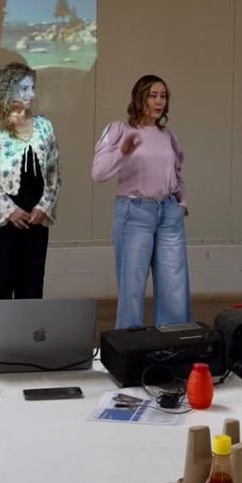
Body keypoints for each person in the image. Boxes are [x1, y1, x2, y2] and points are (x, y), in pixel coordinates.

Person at [92, 74, 192, 329]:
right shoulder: (119, 130)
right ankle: (129, 350)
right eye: (152, 95)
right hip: (135, 212)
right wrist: (122, 152)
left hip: (169, 213)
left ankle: (173, 344)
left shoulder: (168, 135)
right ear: (139, 98)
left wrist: (181, 203)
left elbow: (177, 173)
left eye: (163, 96)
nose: (159, 101)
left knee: (174, 286)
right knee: (132, 288)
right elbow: (98, 173)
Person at [0, 63, 61, 300]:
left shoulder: (44, 126)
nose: (31, 94)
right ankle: (0, 337)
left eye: (32, 88)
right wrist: (10, 211)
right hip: (0, 221)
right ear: (7, 90)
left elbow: (53, 173)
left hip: (35, 218)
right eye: (24, 88)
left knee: (31, 286)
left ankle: (27, 337)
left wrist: (44, 207)